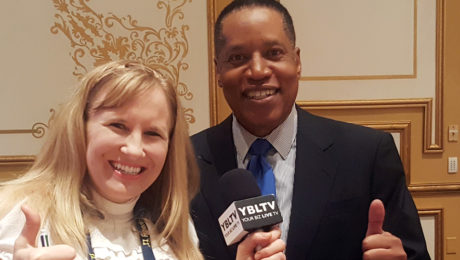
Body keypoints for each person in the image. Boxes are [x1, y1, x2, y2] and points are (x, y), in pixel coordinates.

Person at [190, 0, 431, 259]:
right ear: (218, 70)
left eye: (273, 53)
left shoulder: (367, 155)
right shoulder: (185, 161)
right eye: (237, 57)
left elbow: (413, 253)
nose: (258, 71)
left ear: (297, 61)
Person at [0, 60, 285, 260]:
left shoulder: (174, 229)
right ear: (80, 127)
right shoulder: (20, 216)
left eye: (152, 133)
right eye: (118, 126)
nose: (135, 150)